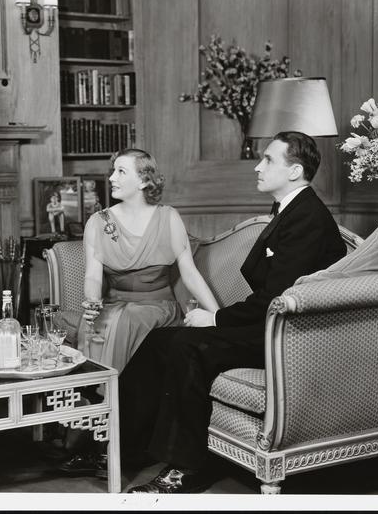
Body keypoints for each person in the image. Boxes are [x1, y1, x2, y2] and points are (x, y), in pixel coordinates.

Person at [122, 131, 347, 493]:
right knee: (159, 340)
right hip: (271, 322)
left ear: (295, 171)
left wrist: (216, 319)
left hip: (290, 337)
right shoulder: (290, 209)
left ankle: (186, 470)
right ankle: (124, 449)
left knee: (187, 345)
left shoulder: (307, 217)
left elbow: (277, 295)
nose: (258, 167)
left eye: (268, 160)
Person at [59, 148, 220, 477]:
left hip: (157, 306)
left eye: (121, 172)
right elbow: (93, 274)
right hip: (114, 303)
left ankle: (118, 443)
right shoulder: (99, 221)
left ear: (144, 180)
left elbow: (189, 273)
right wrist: (91, 301)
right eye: (113, 170)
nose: (111, 178)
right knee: (97, 323)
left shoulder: (168, 217)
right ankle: (93, 437)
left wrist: (218, 315)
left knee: (125, 321)